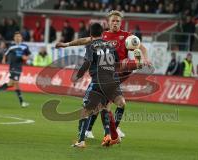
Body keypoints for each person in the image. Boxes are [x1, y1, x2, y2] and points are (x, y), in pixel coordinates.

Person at [56, 10, 149, 142]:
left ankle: (105, 130)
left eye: (118, 21)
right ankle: (105, 132)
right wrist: (67, 44)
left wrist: (145, 59)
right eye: (113, 21)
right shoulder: (102, 35)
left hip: (118, 73)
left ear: (121, 22)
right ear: (109, 22)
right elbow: (85, 40)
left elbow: (142, 47)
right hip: (105, 75)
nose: (115, 23)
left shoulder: (127, 36)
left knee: (109, 105)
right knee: (104, 105)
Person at [71, 23, 141, 148]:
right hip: (113, 81)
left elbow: (87, 62)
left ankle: (81, 141)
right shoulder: (110, 45)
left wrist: (78, 75)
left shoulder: (91, 45)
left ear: (91, 35)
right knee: (115, 104)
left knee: (86, 110)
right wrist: (132, 65)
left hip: (98, 82)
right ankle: (110, 135)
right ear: (102, 34)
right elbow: (116, 64)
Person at [0, 32, 31, 107]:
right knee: (16, 83)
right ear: (14, 38)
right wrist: (4, 59)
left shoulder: (25, 47)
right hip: (13, 66)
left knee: (11, 84)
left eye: (19, 36)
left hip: (19, 67)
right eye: (16, 36)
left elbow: (28, 55)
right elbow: (5, 53)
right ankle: (22, 102)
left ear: (21, 38)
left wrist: (26, 58)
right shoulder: (11, 46)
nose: (17, 38)